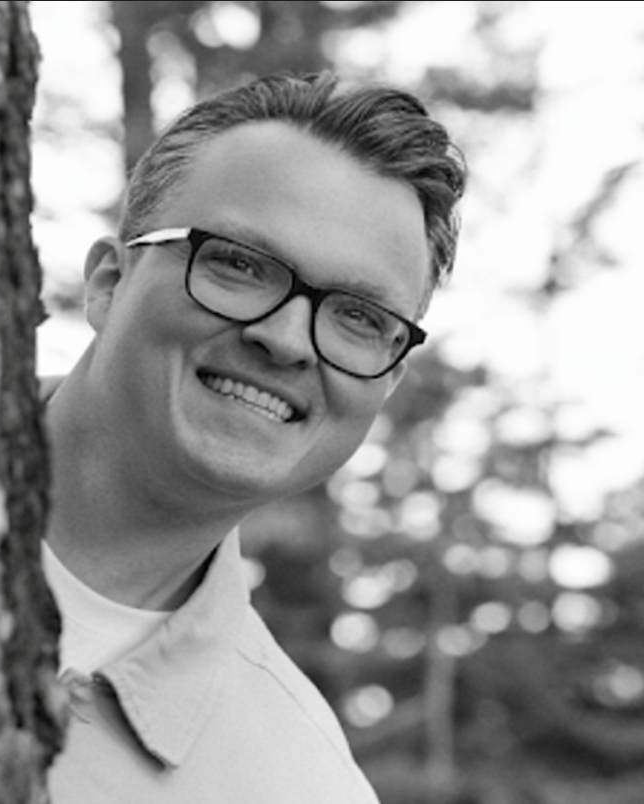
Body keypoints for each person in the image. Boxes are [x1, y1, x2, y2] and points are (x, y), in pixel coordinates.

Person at [42, 71, 466, 804]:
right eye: (239, 264)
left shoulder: (304, 788)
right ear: (109, 283)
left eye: (360, 317)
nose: (285, 340)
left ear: (388, 379)